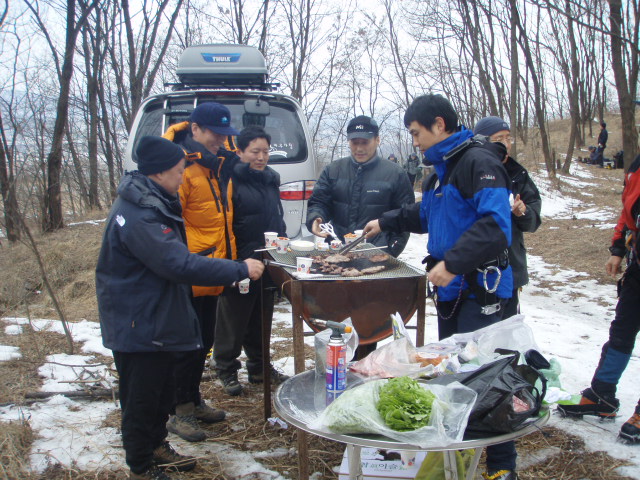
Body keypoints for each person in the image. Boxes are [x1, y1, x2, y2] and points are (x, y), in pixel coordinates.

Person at [363, 94, 517, 480]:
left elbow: (497, 225)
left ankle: (502, 466)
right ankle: (459, 455)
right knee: (454, 374)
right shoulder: (442, 170)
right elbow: (427, 213)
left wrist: (453, 262)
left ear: (439, 125)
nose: (414, 141)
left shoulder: (478, 162)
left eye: (416, 133)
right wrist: (386, 221)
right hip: (452, 292)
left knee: (484, 374)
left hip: (480, 289)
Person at [96, 136, 264, 480]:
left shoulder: (151, 200)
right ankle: (141, 466)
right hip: (137, 321)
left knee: (159, 392)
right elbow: (176, 263)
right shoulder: (140, 215)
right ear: (159, 173)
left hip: (152, 315)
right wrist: (238, 269)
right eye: (178, 171)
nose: (182, 176)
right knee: (142, 398)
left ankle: (156, 446)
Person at [161, 102, 240, 442]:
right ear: (194, 129)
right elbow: (170, 224)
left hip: (212, 268)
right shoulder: (181, 167)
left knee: (204, 341)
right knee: (185, 345)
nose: (220, 140)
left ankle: (193, 400)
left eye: (224, 134)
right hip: (189, 271)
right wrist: (189, 261)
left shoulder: (216, 165)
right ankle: (178, 412)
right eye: (214, 133)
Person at [557, 157, 640, 444]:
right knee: (621, 332)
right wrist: (618, 248)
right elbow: (628, 212)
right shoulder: (636, 166)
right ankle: (602, 394)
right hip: (638, 266)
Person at [214, 126, 290, 395]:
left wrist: (282, 243)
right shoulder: (230, 180)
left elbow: (276, 217)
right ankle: (226, 369)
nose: (261, 157)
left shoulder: (270, 179)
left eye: (265, 152)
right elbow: (225, 224)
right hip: (240, 260)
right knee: (233, 318)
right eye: (254, 151)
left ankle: (259, 368)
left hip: (268, 258)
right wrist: (233, 262)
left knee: (262, 317)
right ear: (240, 152)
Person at [306, 115, 414, 257]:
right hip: (336, 250)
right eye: (354, 142)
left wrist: (389, 251)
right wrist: (316, 217)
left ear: (377, 140)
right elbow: (319, 202)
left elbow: (405, 218)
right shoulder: (333, 170)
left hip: (376, 253)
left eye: (365, 142)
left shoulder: (396, 174)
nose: (359, 148)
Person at [474, 116, 542, 319]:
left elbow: (533, 221)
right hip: (476, 266)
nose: (506, 144)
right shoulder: (473, 172)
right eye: (499, 139)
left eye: (508, 138)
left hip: (511, 264)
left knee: (507, 325)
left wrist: (523, 212)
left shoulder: (518, 174)